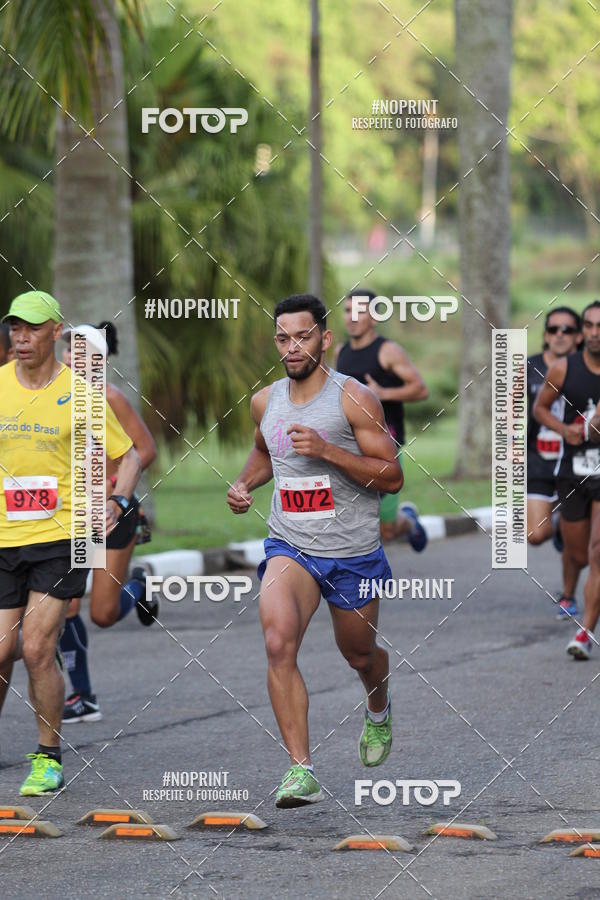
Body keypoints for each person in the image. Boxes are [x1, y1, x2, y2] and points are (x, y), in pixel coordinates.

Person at [227, 294, 403, 808]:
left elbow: (392, 477)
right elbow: (265, 454)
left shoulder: (355, 398)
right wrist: (243, 485)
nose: (292, 346)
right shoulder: (266, 401)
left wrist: (327, 450)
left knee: (360, 654)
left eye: (302, 336)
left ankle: (377, 707)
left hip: (351, 552)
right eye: (283, 337)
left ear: (325, 338)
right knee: (278, 642)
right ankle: (300, 769)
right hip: (291, 544)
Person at [0, 291, 141, 795]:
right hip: (4, 539)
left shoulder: (81, 392)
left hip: (64, 537)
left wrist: (118, 502)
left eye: (32, 328)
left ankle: (48, 757)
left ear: (55, 331)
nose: (21, 338)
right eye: (15, 328)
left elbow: (130, 456)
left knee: (36, 647)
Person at [59, 322, 158, 724]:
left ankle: (139, 585)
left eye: (80, 353)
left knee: (101, 613)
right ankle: (82, 696)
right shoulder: (57, 398)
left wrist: (113, 488)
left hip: (113, 515)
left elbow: (145, 450)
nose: (71, 358)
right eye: (68, 351)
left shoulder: (110, 398)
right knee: (67, 604)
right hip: (73, 517)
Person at [336, 289, 428, 550]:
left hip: (385, 444)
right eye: (347, 310)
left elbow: (420, 389)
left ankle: (408, 521)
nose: (352, 317)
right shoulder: (340, 352)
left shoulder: (388, 351)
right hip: (349, 443)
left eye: (360, 311)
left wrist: (383, 393)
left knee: (387, 530)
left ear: (374, 318)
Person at [534, 300, 600, 659]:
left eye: (599, 326)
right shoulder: (562, 369)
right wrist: (565, 430)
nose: (593, 333)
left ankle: (585, 632)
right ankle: (564, 528)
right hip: (572, 470)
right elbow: (539, 408)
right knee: (579, 554)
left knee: (597, 552)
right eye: (588, 325)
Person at [526, 307, 583, 619]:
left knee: (579, 546)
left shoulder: (588, 369)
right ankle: (558, 525)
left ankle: (568, 595)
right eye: (553, 329)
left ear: (578, 336)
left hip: (579, 462)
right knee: (535, 535)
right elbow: (510, 419)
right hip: (539, 460)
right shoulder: (528, 368)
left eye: (567, 329)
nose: (560, 334)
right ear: (546, 335)